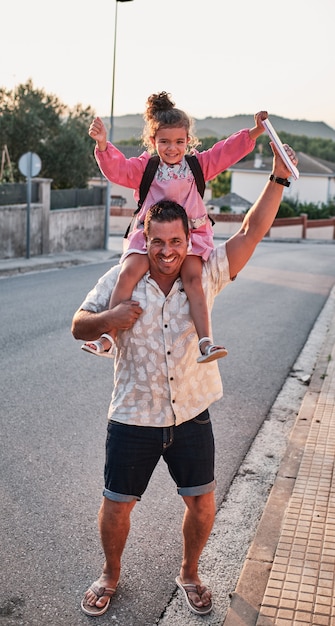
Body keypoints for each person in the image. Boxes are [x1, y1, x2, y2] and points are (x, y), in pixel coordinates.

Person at [71, 142, 298, 617]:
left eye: (176, 242)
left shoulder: (205, 274)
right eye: (158, 242)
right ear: (144, 238)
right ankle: (110, 574)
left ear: (188, 240)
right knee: (116, 506)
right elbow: (78, 325)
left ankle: (190, 573)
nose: (168, 251)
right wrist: (111, 317)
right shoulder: (122, 278)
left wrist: (278, 178)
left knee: (202, 505)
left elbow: (252, 230)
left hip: (193, 414)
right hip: (133, 414)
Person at [81, 91, 268, 363]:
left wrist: (254, 132)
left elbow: (224, 151)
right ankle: (107, 337)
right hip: (150, 239)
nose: (172, 148)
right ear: (152, 141)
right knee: (128, 273)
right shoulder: (147, 167)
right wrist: (102, 145)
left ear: (188, 141)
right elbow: (118, 170)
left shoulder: (197, 166)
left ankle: (206, 342)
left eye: (179, 141)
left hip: (192, 238)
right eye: (165, 142)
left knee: (194, 280)